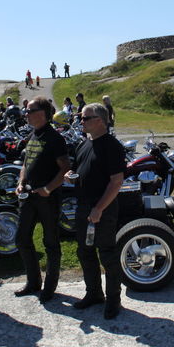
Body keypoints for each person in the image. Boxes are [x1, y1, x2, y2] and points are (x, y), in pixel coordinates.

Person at [14, 97, 71, 302]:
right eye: (26, 111)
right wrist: (21, 182)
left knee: (51, 243)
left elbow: (65, 167)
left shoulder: (54, 138)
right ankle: (33, 281)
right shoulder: (33, 135)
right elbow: (25, 164)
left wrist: (48, 188)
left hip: (48, 198)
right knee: (21, 238)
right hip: (28, 196)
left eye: (30, 111)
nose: (26, 114)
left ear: (43, 113)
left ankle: (50, 287)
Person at [71, 103, 126, 319]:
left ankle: (114, 300)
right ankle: (93, 293)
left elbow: (116, 182)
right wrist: (70, 175)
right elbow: (77, 169)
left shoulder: (112, 146)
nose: (80, 121)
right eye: (80, 118)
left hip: (102, 209)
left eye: (85, 118)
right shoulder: (84, 144)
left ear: (100, 121)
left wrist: (99, 209)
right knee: (85, 252)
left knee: (107, 255)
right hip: (83, 207)